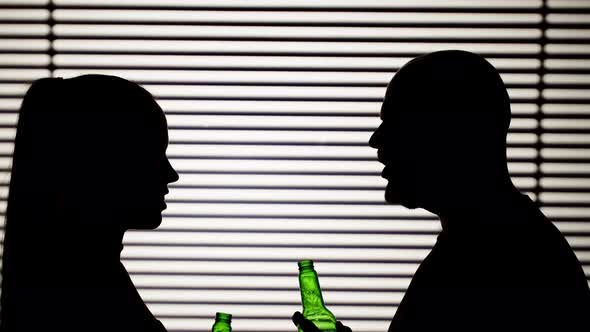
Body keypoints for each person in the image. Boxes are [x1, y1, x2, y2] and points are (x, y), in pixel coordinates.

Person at [293, 50, 590, 331]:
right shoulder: (488, 245)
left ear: (452, 133)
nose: (376, 140)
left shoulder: (509, 265)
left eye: (395, 123)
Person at [0, 75, 179, 332]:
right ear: (104, 163)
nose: (171, 174)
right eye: (153, 154)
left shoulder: (71, 279)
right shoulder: (84, 289)